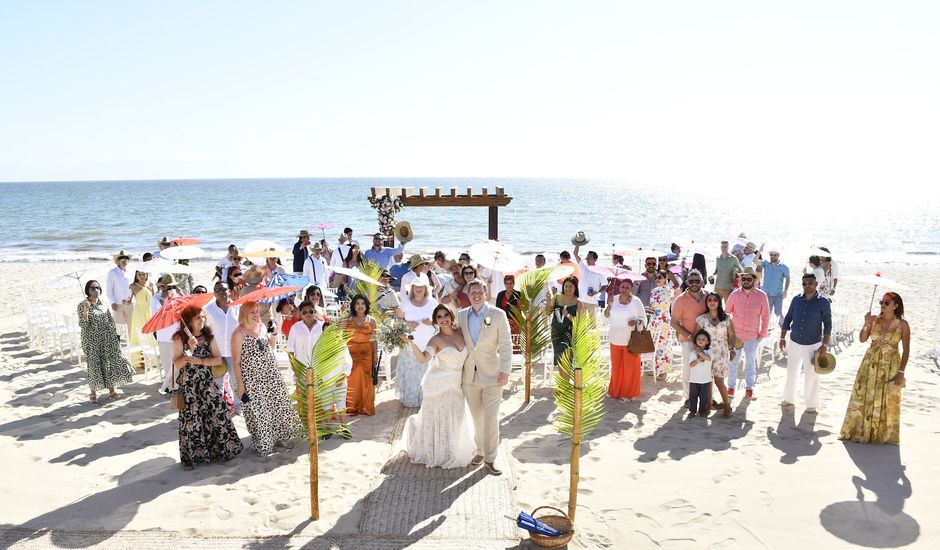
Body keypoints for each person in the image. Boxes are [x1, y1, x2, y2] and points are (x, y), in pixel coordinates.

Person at [401, 304, 475, 468]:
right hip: (437, 384)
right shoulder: (436, 340)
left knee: (456, 415)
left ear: (451, 316)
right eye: (439, 317)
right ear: (435, 321)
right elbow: (423, 358)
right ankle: (436, 451)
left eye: (445, 315)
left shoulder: (462, 333)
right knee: (437, 417)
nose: (443, 319)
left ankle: (453, 449)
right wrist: (411, 343)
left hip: (457, 383)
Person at [172, 307, 243, 470]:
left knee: (218, 413)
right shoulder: (178, 338)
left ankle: (223, 451)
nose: (202, 320)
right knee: (192, 420)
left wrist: (201, 361)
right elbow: (177, 364)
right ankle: (196, 456)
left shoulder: (208, 336)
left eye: (203, 317)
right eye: (198, 318)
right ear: (189, 321)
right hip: (188, 386)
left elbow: (218, 360)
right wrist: (189, 350)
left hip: (206, 382)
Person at [458, 279, 513, 475]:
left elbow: (506, 345)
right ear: (468, 294)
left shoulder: (498, 315)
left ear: (486, 292)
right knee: (477, 418)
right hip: (469, 377)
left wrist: (505, 371)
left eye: (479, 291)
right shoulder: (461, 315)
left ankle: (490, 458)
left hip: (493, 375)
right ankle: (480, 450)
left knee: (491, 418)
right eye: (472, 292)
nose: (476, 295)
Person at [840, 293, 910, 444]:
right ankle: (858, 431)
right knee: (863, 395)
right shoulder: (874, 320)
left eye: (886, 302)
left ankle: (882, 435)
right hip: (870, 363)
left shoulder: (902, 324)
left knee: (887, 399)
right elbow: (862, 339)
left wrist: (901, 372)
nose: (882, 305)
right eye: (881, 302)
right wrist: (866, 324)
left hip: (890, 365)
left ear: (895, 305)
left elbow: (906, 350)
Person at [232, 301, 300, 455]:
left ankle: (281, 437)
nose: (256, 314)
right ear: (244, 314)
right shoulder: (238, 334)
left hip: (270, 374)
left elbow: (271, 345)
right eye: (252, 312)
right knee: (260, 411)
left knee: (277, 406)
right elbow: (236, 362)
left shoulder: (262, 327)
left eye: (257, 311)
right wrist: (240, 385)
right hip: (252, 379)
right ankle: (264, 441)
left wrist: (274, 333)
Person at [780, 274, 832, 412]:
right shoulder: (796, 299)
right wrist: (782, 337)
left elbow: (828, 324)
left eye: (810, 283)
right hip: (795, 341)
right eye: (804, 283)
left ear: (816, 284)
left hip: (813, 343)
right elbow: (788, 317)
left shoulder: (824, 302)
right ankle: (789, 399)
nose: (807, 285)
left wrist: (825, 345)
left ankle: (811, 404)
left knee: (812, 375)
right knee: (791, 371)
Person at [77, 280, 136, 405]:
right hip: (92, 342)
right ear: (87, 290)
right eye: (92, 288)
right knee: (94, 366)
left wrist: (115, 336)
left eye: (97, 287)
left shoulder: (103, 304)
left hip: (107, 340)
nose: (95, 290)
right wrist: (86, 311)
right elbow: (83, 325)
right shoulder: (82, 305)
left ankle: (112, 391)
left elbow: (110, 320)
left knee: (108, 364)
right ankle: (93, 393)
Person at [725, 267, 770, 400]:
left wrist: (762, 333)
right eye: (743, 279)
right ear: (740, 280)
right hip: (736, 335)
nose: (745, 281)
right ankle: (731, 387)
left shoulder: (762, 295)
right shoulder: (734, 295)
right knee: (733, 362)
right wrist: (728, 333)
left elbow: (766, 316)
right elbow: (726, 314)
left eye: (748, 279)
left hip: (752, 336)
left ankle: (749, 389)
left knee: (751, 363)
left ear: (754, 280)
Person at [394, 275, 438, 407]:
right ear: (412, 289)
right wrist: (408, 323)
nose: (418, 289)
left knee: (426, 371)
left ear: (426, 289)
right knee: (411, 372)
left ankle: (426, 399)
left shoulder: (432, 302)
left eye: (421, 287)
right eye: (416, 287)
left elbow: (440, 319)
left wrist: (432, 321)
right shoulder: (406, 302)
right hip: (410, 344)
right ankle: (412, 400)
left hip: (428, 343)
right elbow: (398, 320)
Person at [604, 278, 647, 400]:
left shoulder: (636, 301)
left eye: (627, 288)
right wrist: (609, 305)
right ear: (619, 287)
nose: (624, 290)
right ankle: (615, 392)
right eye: (622, 287)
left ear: (631, 289)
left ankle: (628, 394)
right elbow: (606, 318)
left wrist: (636, 322)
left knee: (630, 368)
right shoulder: (614, 299)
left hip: (631, 340)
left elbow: (644, 320)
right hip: (615, 338)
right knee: (616, 368)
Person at [670, 269, 709, 405]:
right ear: (686, 282)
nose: (694, 283)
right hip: (687, 340)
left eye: (697, 281)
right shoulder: (680, 300)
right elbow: (673, 322)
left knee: (707, 368)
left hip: (707, 341)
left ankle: (707, 398)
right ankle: (688, 398)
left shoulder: (708, 297)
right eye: (691, 281)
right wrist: (690, 336)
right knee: (688, 369)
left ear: (702, 282)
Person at [696, 293, 736, 418]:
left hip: (722, 353)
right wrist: (699, 352)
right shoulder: (701, 319)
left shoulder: (727, 318)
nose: (712, 302)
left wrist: (732, 349)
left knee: (719, 381)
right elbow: (696, 336)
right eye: (709, 300)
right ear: (706, 303)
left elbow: (732, 335)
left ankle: (727, 405)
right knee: (707, 381)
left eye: (715, 300)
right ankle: (708, 406)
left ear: (719, 302)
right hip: (707, 353)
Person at [205, 281, 240, 412]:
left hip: (234, 351)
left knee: (235, 381)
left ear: (229, 291)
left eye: (223, 289)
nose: (221, 292)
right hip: (216, 352)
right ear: (214, 293)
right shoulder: (208, 310)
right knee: (216, 382)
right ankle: (218, 408)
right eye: (217, 290)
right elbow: (205, 331)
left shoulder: (238, 307)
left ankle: (238, 407)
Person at [346, 294, 377, 416]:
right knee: (352, 378)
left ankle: (366, 406)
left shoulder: (372, 320)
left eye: (363, 303)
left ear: (366, 305)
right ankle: (352, 406)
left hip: (366, 352)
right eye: (357, 303)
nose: (360, 306)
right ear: (354, 305)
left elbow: (374, 339)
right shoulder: (348, 319)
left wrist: (375, 354)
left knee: (366, 379)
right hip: (351, 352)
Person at [547, 276, 584, 373]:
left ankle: (565, 385)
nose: (568, 289)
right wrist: (549, 301)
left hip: (569, 333)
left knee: (566, 359)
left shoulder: (578, 302)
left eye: (571, 286)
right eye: (566, 286)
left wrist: (567, 315)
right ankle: (563, 385)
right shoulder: (556, 297)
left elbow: (580, 322)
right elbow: (548, 312)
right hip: (556, 332)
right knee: (559, 358)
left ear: (575, 288)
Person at [152, 274, 182, 393]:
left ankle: (178, 386)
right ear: (161, 287)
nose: (168, 290)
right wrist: (163, 302)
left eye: (171, 287)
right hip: (164, 335)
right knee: (167, 363)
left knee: (178, 362)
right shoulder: (155, 299)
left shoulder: (178, 297)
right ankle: (171, 387)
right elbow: (157, 317)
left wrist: (181, 295)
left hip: (177, 334)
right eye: (166, 287)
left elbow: (184, 312)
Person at [648, 270, 675, 378]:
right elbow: (652, 305)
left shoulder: (669, 291)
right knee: (653, 343)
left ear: (665, 279)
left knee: (663, 345)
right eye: (656, 277)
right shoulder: (654, 290)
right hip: (654, 319)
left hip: (663, 319)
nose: (658, 279)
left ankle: (664, 370)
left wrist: (670, 274)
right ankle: (654, 366)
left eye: (660, 277)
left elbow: (676, 287)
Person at [128, 269, 156, 369]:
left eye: (143, 274)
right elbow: (128, 300)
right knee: (141, 333)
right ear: (136, 275)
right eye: (139, 274)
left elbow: (154, 298)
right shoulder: (132, 286)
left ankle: (149, 359)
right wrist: (125, 301)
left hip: (149, 312)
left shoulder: (151, 284)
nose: (141, 276)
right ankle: (141, 361)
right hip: (139, 312)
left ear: (146, 274)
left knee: (150, 334)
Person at [573, 244, 606, 320]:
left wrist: (597, 292)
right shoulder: (583, 267)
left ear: (595, 259)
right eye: (587, 258)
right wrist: (578, 243)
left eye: (589, 258)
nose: (587, 259)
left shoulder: (600, 271)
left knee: (592, 324)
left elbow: (605, 286)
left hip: (592, 301)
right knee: (580, 323)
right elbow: (575, 254)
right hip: (581, 300)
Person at [106, 250, 135, 336]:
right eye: (122, 258)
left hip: (130, 304)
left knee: (130, 325)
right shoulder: (112, 273)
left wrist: (132, 299)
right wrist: (112, 302)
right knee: (119, 326)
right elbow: (109, 290)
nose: (124, 260)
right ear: (118, 260)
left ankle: (129, 344)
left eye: (126, 258)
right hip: (117, 304)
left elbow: (132, 288)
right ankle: (118, 345)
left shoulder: (131, 272)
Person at [759, 248, 790, 326]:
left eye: (775, 255)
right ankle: (766, 328)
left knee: (778, 312)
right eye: (771, 255)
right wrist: (760, 250)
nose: (773, 256)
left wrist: (785, 291)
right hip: (766, 293)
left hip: (778, 294)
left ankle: (783, 326)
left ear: (778, 256)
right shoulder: (765, 264)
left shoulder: (784, 267)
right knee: (767, 312)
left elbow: (788, 279)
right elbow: (755, 261)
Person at [688, 329, 714, 418]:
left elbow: (709, 358)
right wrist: (698, 359)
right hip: (694, 379)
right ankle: (692, 411)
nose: (701, 341)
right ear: (696, 341)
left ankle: (703, 411)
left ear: (707, 342)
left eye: (703, 339)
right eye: (699, 339)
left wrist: (700, 353)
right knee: (693, 397)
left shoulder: (709, 351)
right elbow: (691, 365)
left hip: (705, 380)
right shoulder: (692, 353)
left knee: (704, 398)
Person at [495, 274, 522, 345]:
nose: (509, 285)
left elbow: (520, 310)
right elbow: (497, 309)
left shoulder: (519, 294)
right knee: (503, 343)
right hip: (503, 321)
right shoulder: (500, 294)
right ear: (504, 284)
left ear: (514, 284)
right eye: (507, 283)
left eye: (511, 283)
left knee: (515, 345)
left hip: (515, 323)